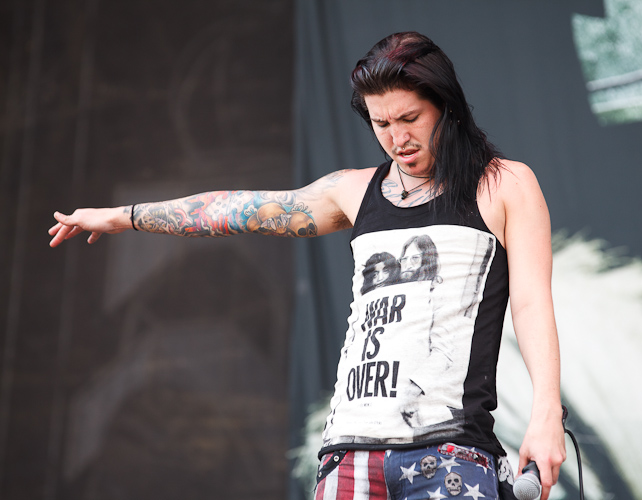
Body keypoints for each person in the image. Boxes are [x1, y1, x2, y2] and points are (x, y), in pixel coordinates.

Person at [49, 32, 565, 500]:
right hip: (349, 453)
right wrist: (124, 217)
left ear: (445, 107)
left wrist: (546, 415)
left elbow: (530, 303)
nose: (397, 138)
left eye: (409, 119)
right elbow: (240, 210)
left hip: (448, 453)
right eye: (381, 124)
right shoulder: (354, 190)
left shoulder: (503, 184)